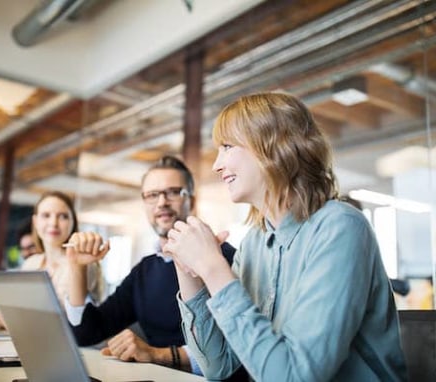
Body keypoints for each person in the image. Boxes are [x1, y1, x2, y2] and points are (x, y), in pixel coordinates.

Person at [164, 92, 408, 381]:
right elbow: (218, 366)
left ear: (273, 146)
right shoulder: (256, 242)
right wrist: (189, 270)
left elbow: (295, 376)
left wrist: (213, 268)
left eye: (227, 147)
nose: (217, 165)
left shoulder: (340, 227)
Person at [63, 156, 236, 374]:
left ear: (191, 200)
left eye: (173, 192)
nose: (161, 202)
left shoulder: (225, 258)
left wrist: (157, 355)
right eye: (152, 195)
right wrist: (77, 267)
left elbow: (235, 349)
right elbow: (86, 333)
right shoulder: (144, 271)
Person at [0, 190, 104, 329]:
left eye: (63, 216)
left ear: (73, 222)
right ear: (35, 222)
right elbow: (20, 309)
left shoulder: (83, 264)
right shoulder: (31, 263)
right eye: (46, 215)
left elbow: (77, 321)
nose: (53, 223)